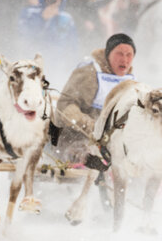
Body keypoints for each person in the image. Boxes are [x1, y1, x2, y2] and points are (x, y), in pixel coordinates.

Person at [54, 32, 137, 167]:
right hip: (77, 135)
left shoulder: (130, 81)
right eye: (119, 54)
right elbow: (65, 105)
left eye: (129, 55)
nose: (125, 60)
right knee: (88, 156)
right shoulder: (89, 72)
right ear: (108, 53)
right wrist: (89, 125)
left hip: (111, 140)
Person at [19, 0, 78, 78]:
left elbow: (73, 44)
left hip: (59, 65)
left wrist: (71, 64)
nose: (54, 1)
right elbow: (24, 37)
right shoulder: (30, 13)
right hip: (34, 63)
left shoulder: (66, 18)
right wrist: (43, 19)